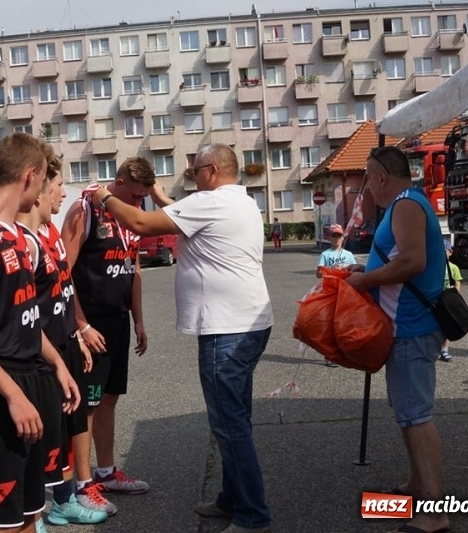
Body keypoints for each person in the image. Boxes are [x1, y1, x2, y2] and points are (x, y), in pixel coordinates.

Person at [91, 144, 274, 533]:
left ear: (210, 171)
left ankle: (252, 516)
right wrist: (158, 194)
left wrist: (103, 196)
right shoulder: (237, 201)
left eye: (194, 171)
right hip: (246, 324)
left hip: (226, 329)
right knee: (233, 418)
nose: (192, 177)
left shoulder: (211, 203)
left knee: (230, 424)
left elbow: (141, 224)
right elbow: (177, 211)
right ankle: (232, 497)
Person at [0, 132, 81, 533]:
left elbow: (24, 316)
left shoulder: (24, 238)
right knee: (3, 524)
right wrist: (13, 394)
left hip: (30, 380)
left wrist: (57, 364)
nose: (44, 192)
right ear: (29, 176)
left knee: (30, 513)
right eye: (43, 182)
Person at [345, 146, 449, 533]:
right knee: (409, 414)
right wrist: (366, 269)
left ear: (382, 177)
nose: (367, 189)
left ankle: (434, 514)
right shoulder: (408, 202)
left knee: (417, 417)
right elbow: (400, 259)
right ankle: (419, 485)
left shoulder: (406, 204)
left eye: (368, 180)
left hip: (411, 326)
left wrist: (365, 279)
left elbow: (411, 262)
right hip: (406, 325)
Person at [16, 154, 107, 529]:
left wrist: (79, 333)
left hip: (66, 344)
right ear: (38, 191)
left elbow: (64, 289)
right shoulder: (23, 238)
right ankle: (32, 513)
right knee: (39, 437)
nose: (61, 193)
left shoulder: (51, 232)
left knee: (64, 430)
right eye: (56, 187)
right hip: (41, 353)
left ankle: (64, 501)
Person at [60, 157, 154, 516]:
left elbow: (135, 270)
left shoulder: (130, 216)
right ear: (117, 183)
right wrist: (80, 326)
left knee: (109, 400)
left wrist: (139, 321)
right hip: (91, 325)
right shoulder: (85, 210)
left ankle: (106, 471)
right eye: (134, 195)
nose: (137, 204)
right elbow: (63, 273)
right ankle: (82, 487)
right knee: (86, 405)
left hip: (118, 322)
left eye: (143, 198)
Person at [439, 240, 462, 362]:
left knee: (447, 326)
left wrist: (456, 295)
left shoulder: (453, 268)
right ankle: (436, 348)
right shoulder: (434, 267)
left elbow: (457, 282)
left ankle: (444, 350)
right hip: (437, 299)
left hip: (448, 300)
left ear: (450, 252)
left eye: (445, 252)